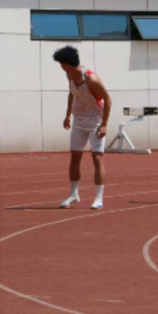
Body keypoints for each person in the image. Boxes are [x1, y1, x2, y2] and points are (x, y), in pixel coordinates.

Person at [54, 46, 110, 209]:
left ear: (67, 64)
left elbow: (108, 99)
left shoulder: (91, 79)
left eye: (61, 64)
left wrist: (104, 124)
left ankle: (99, 198)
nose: (61, 67)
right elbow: (72, 93)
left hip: (95, 121)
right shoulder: (70, 76)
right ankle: (73, 194)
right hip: (79, 121)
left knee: (97, 158)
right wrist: (68, 115)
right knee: (75, 157)